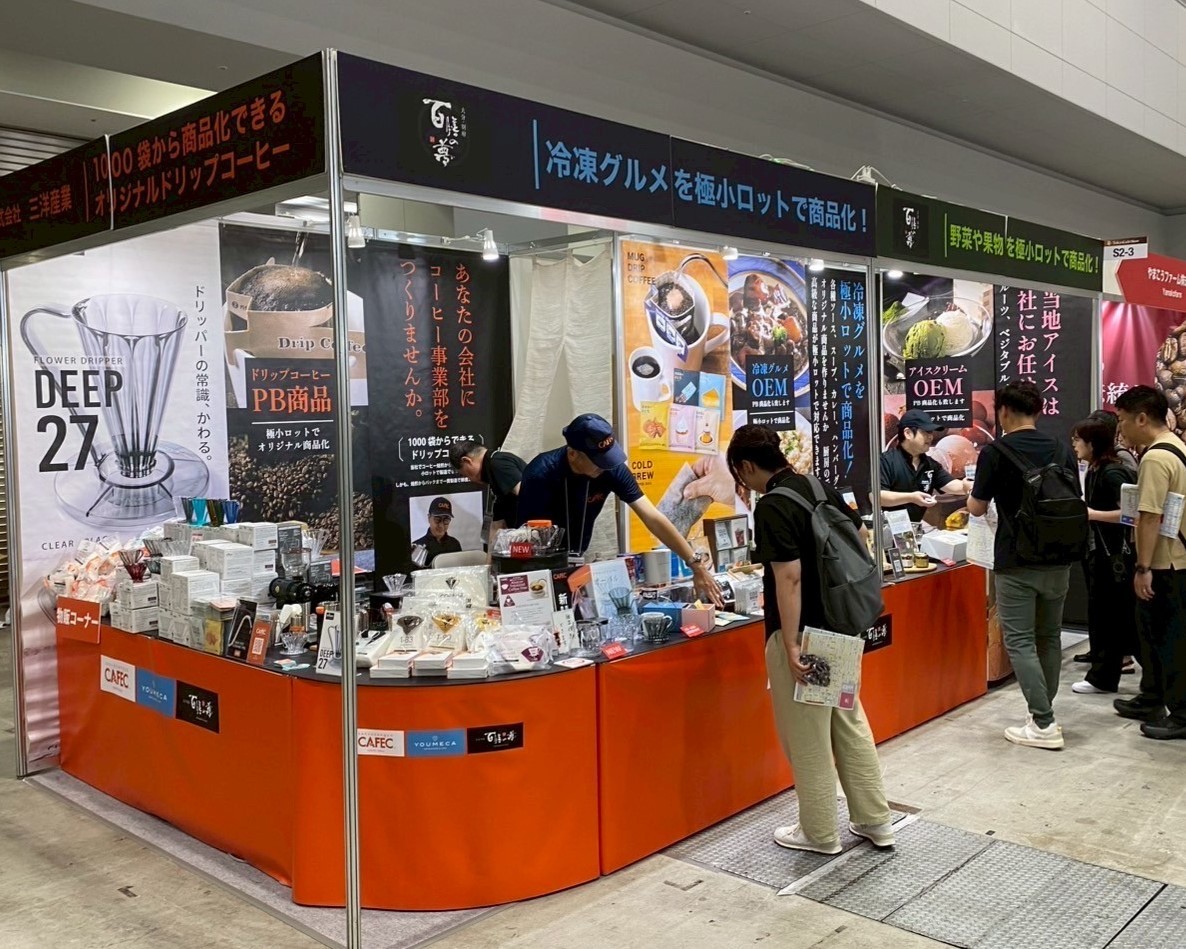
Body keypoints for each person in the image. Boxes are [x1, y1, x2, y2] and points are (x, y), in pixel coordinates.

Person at [727, 424, 893, 854]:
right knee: (848, 722)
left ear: (747, 466)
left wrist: (790, 643)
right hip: (842, 627)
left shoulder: (773, 505)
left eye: (739, 474)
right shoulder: (818, 486)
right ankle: (875, 820)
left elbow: (789, 577)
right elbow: (859, 536)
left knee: (807, 736)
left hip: (806, 635)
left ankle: (818, 833)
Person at [967, 381, 1082, 750]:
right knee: (1049, 637)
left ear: (1003, 411)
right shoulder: (1061, 448)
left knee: (1019, 640)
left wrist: (972, 496)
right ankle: (1041, 715)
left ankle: (1043, 722)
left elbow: (977, 507)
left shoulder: (995, 452)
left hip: (1017, 560)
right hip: (1059, 558)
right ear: (1039, 410)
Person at [517, 414, 722, 606]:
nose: (605, 466)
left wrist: (696, 565)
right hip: (539, 567)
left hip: (577, 561)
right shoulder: (540, 474)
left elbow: (653, 517)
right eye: (598, 461)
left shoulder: (610, 469)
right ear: (573, 454)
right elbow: (527, 541)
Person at [1114, 386, 1186, 740]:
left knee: (1168, 638)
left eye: (1123, 420)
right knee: (1152, 634)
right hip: (1176, 559)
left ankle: (1181, 713)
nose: (1121, 428)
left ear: (1142, 418)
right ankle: (1152, 696)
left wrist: (1143, 568)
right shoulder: (1177, 447)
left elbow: (1150, 516)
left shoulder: (1156, 458)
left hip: (1164, 564)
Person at [1069, 417, 1137, 695]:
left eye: (1078, 440)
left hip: (1116, 556)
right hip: (1100, 553)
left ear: (1092, 443)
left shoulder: (1112, 473)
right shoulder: (1095, 470)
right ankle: (1104, 677)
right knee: (1105, 617)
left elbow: (1131, 515)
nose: (1074, 445)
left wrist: (1092, 514)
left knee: (1114, 618)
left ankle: (1110, 676)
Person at [879, 409, 971, 523]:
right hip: (887, 528)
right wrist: (911, 497)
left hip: (915, 527)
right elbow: (877, 497)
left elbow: (950, 485)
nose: (930, 437)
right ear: (908, 433)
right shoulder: (885, 461)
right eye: (925, 432)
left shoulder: (929, 464)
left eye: (931, 432)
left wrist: (968, 485)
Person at [448, 440, 526, 550]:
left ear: (467, 461)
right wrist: (489, 560)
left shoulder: (498, 464)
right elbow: (497, 525)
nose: (469, 479)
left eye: (464, 475)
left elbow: (528, 495)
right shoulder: (492, 469)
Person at [412, 497, 463, 566]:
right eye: (437, 519)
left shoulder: (455, 544)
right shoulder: (417, 546)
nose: (441, 525)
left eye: (446, 520)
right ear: (429, 518)